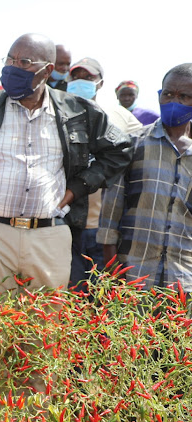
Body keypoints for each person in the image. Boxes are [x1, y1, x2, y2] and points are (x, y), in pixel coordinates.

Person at [0, 33, 132, 306]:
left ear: (47, 70)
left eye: (24, 62)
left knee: (44, 332)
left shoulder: (77, 112)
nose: (12, 67)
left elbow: (120, 150)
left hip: (49, 234)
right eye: (10, 59)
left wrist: (77, 189)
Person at [99, 64, 192, 290]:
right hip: (133, 275)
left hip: (183, 280)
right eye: (168, 94)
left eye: (183, 96)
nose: (173, 102)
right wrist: (112, 273)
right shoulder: (133, 143)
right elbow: (110, 213)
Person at [65, 57, 142, 284]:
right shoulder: (57, 115)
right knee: (71, 299)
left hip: (106, 227)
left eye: (88, 78)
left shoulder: (119, 115)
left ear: (100, 83)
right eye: (76, 77)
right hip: (67, 223)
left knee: (104, 298)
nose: (81, 82)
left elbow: (138, 155)